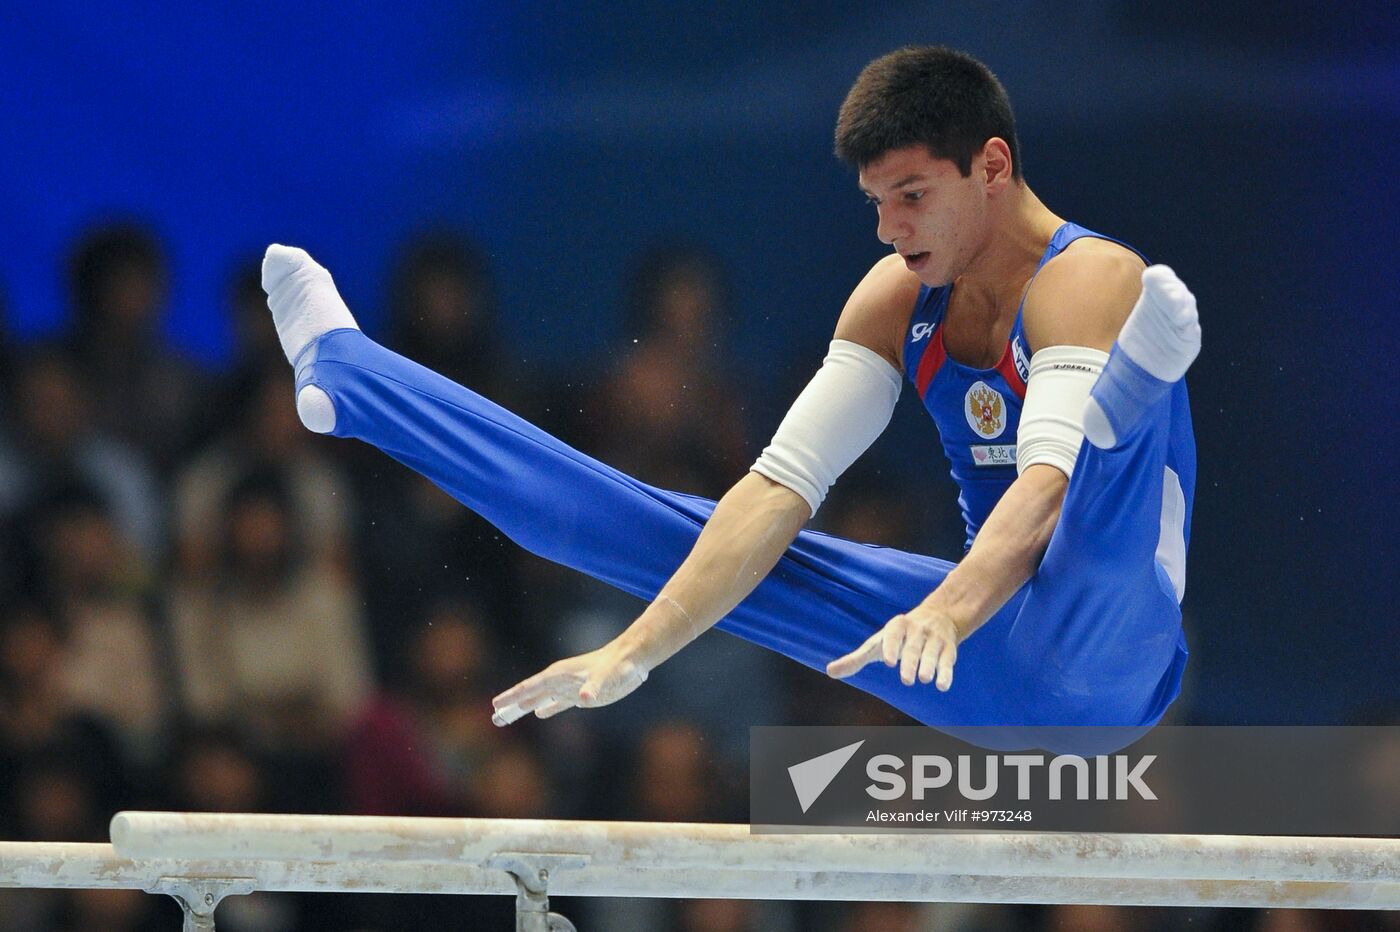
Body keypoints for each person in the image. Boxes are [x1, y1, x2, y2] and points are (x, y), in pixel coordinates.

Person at [260, 46, 1199, 753]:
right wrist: (632, 652)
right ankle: (353, 378)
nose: (889, 229)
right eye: (876, 202)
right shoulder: (894, 302)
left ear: (991, 166)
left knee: (1085, 504)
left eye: (911, 195)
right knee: (675, 534)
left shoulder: (1085, 278)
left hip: (1113, 659)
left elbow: (1042, 491)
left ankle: (1131, 397)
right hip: (975, 649)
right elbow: (776, 488)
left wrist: (947, 612)